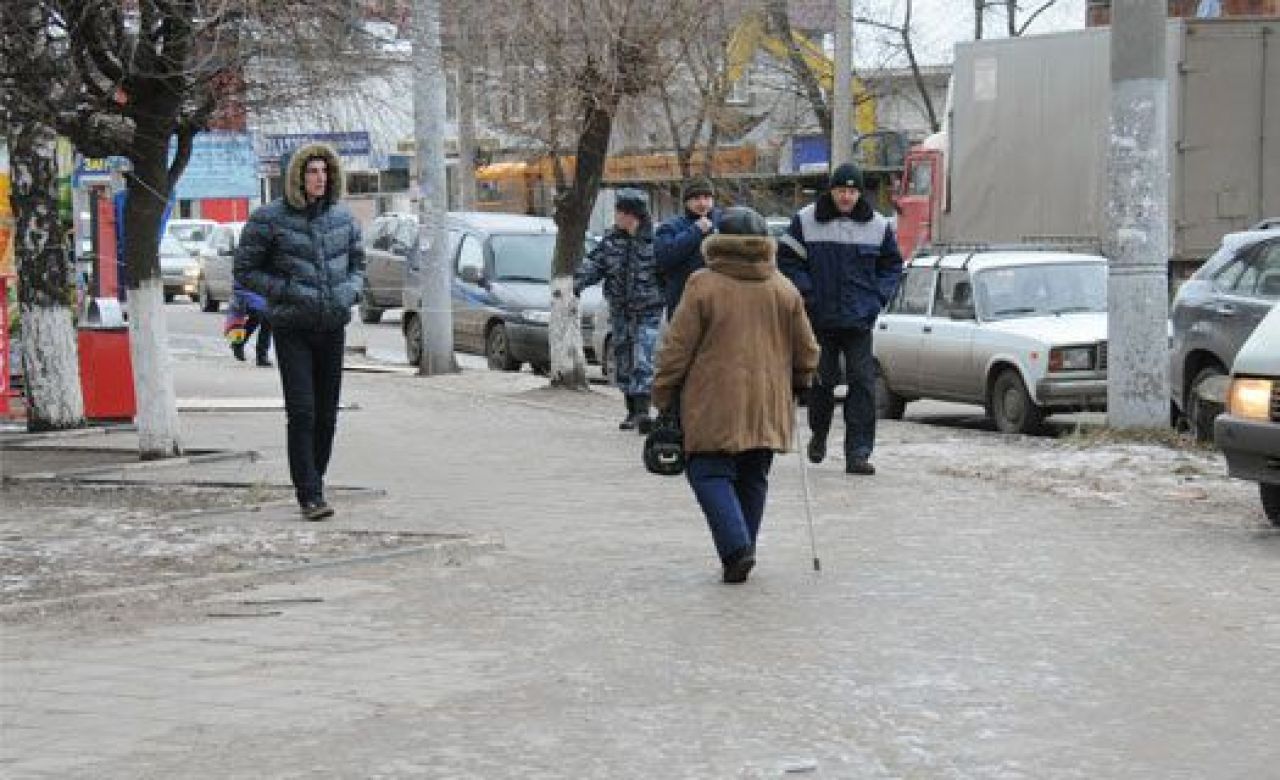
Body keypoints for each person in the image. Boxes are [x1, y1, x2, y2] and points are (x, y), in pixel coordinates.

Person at [653, 206, 819, 584]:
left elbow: (676, 348)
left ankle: (736, 548)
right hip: (768, 402)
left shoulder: (702, 284)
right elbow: (807, 348)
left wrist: (663, 392)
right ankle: (743, 549)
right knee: (752, 475)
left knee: (708, 471)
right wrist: (801, 380)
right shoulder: (783, 287)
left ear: (717, 244)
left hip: (713, 402)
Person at [234, 143, 365, 521]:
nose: (319, 179)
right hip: (292, 327)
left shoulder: (342, 218)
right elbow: (245, 270)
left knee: (327, 415)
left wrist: (349, 292)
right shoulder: (269, 218)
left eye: (324, 172)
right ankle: (309, 494)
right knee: (303, 411)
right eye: (312, 172)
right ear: (297, 177)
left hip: (331, 326)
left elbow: (359, 263)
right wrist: (286, 291)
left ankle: (315, 482)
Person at [777, 162, 903, 476]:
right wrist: (807, 294)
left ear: (859, 193)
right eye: (841, 190)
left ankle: (858, 452)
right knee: (822, 383)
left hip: (859, 321)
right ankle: (819, 434)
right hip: (820, 319)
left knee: (862, 385)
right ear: (831, 190)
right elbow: (787, 261)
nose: (846, 197)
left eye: (851, 191)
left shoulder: (877, 225)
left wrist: (877, 298)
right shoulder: (806, 220)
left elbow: (892, 267)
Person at [574, 189, 663, 433]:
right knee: (623, 360)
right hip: (621, 311)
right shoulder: (612, 241)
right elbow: (594, 265)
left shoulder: (655, 241)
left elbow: (668, 271)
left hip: (648, 311)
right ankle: (631, 411)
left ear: (630, 215)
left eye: (619, 212)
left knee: (643, 358)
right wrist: (576, 284)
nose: (616, 216)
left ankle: (644, 412)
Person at [655, 177, 723, 315]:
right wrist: (695, 231)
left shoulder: (724, 222)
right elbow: (664, 258)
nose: (702, 203)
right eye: (696, 198)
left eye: (707, 197)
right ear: (686, 202)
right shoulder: (671, 226)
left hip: (718, 303)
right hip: (683, 304)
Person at [228, 282, 273, 367]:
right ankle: (261, 356)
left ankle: (238, 343)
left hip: (258, 290)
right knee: (264, 318)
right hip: (251, 290)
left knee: (260, 318)